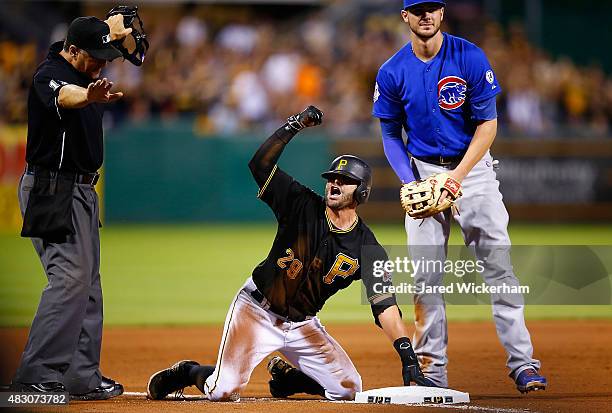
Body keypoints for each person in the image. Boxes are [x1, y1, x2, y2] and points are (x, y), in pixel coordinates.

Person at [146, 106, 435, 402]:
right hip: (256, 310)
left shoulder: (369, 248)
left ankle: (288, 379)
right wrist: (294, 125)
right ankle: (187, 371)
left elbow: (385, 307)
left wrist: (408, 356)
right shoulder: (300, 203)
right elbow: (259, 165)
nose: (334, 182)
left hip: (303, 324)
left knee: (349, 389)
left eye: (344, 179)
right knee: (223, 391)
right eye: (332, 176)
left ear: (362, 192)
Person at [372, 0, 547, 393]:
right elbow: (389, 135)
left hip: (473, 169)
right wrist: (409, 180)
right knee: (425, 278)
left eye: (433, 7)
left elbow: (488, 124)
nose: (426, 15)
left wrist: (458, 177)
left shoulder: (469, 56)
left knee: (499, 268)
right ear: (405, 16)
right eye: (418, 9)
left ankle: (523, 362)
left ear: (443, 12)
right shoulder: (392, 70)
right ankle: (433, 372)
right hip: (422, 171)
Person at [10, 14, 132, 400]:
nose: (101, 62)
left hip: (80, 191)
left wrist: (114, 27)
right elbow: (65, 95)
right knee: (69, 281)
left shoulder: (84, 60)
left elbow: (103, 39)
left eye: (104, 55)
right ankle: (34, 376)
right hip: (52, 188)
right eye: (94, 55)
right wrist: (89, 96)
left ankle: (80, 376)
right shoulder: (50, 73)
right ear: (72, 50)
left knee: (88, 287)